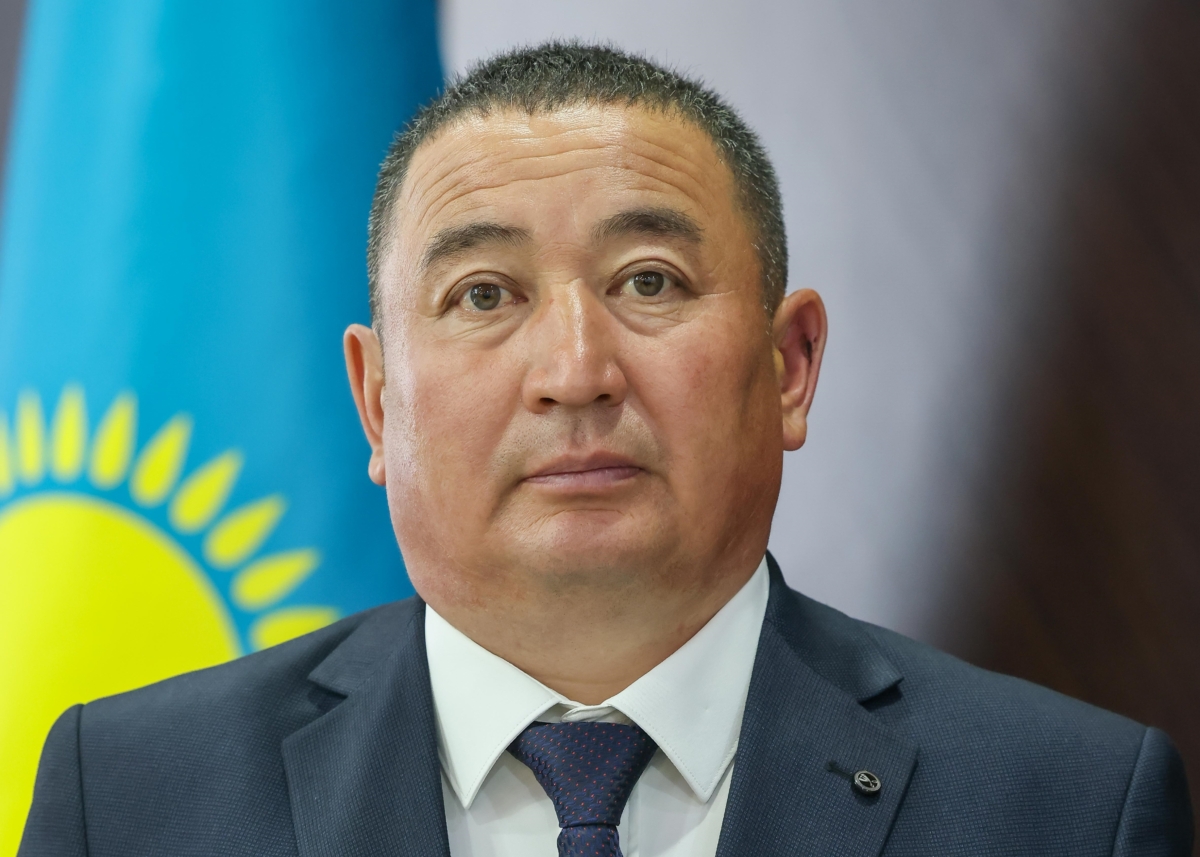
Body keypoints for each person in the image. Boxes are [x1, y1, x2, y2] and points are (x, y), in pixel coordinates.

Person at [19, 42, 1192, 857]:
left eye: (650, 281)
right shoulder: (128, 796)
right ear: (376, 404)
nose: (576, 370)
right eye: (484, 294)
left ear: (789, 365)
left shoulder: (1065, 806)